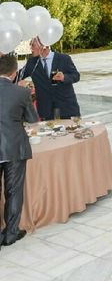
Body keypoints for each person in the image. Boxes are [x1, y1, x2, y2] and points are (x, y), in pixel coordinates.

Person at [0, 55, 39, 248]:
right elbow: (33, 119)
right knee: (13, 191)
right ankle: (10, 233)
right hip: (14, 147)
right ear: (14, 72)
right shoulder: (21, 92)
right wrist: (30, 96)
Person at [20, 37, 81, 120]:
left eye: (33, 45)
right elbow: (16, 76)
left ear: (43, 46)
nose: (31, 49)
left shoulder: (64, 59)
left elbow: (76, 76)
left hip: (67, 108)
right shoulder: (32, 62)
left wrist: (64, 77)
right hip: (46, 111)